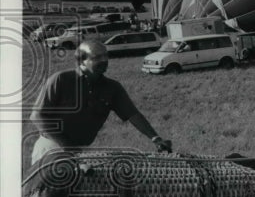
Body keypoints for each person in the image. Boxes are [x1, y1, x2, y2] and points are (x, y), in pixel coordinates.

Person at [30, 39, 172, 164]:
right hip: (51, 146)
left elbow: (133, 114)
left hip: (82, 151)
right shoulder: (60, 79)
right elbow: (37, 116)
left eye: (106, 56)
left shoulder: (112, 87)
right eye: (97, 57)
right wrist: (66, 145)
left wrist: (156, 138)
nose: (104, 61)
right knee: (46, 193)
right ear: (81, 61)